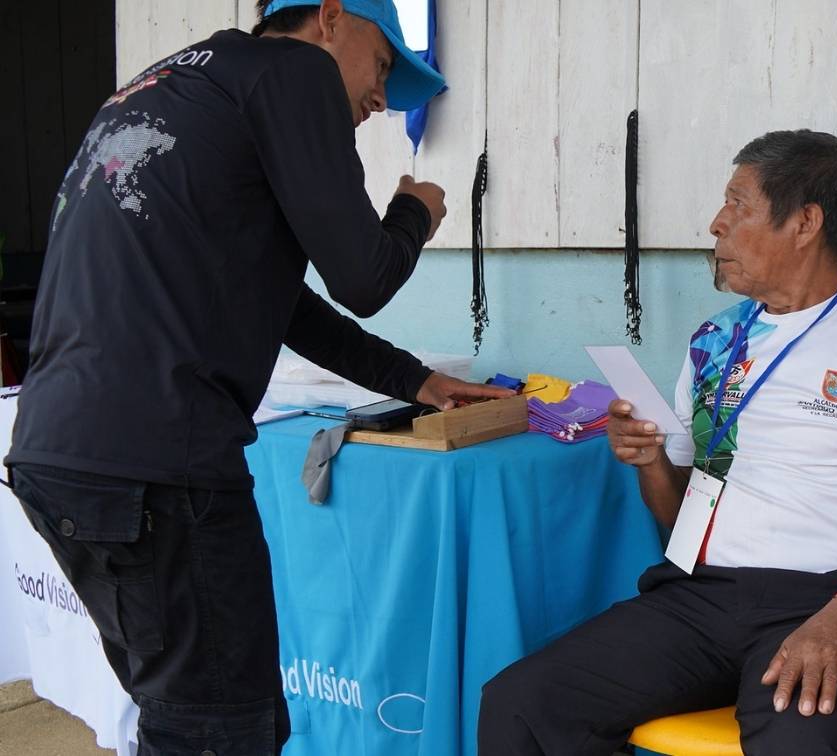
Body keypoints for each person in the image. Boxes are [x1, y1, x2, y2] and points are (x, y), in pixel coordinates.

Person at [5, 1, 510, 753]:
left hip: (61, 454)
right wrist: (413, 212)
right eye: (381, 67)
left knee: (212, 716)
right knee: (216, 732)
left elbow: (287, 306)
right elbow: (364, 277)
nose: (380, 99)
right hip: (157, 469)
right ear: (331, 18)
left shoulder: (172, 83)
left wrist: (417, 382)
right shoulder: (295, 72)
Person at [477, 130, 837, 755]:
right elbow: (683, 517)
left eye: (738, 205)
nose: (716, 224)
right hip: (702, 599)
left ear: (805, 223)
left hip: (836, 599)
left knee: (797, 744)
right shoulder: (717, 343)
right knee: (522, 705)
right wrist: (652, 462)